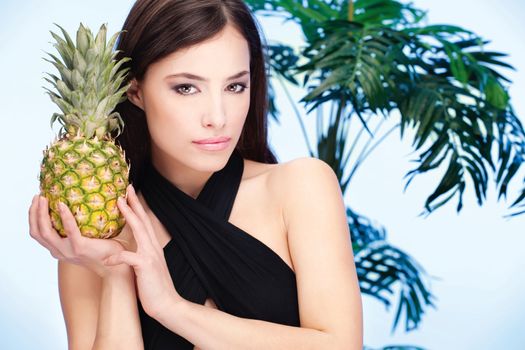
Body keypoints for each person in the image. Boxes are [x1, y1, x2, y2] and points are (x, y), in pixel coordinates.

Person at [28, 0, 363, 349]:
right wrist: (115, 274)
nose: (218, 117)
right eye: (187, 87)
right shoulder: (95, 230)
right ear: (135, 90)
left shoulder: (300, 188)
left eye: (235, 87)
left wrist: (171, 308)